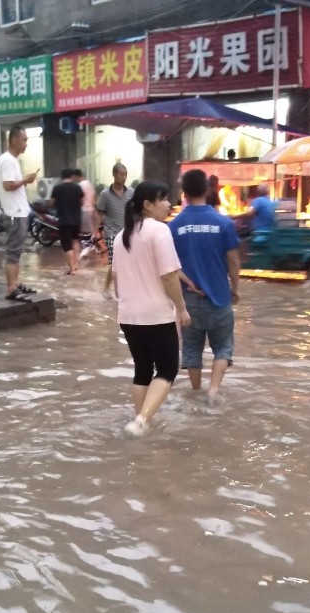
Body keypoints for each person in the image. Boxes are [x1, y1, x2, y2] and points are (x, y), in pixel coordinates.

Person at [113, 180, 191, 437]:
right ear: (148, 205)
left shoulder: (120, 236)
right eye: (164, 199)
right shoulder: (159, 230)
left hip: (128, 315)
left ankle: (140, 421)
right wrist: (181, 309)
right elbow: (169, 276)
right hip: (156, 315)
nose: (169, 204)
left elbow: (116, 279)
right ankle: (143, 420)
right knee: (168, 368)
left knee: (143, 369)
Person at [169, 169, 241, 400]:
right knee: (223, 347)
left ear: (184, 192)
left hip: (188, 300)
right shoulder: (223, 222)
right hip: (219, 297)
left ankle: (196, 391)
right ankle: (214, 390)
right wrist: (235, 289)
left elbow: (169, 267)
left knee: (191, 350)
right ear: (208, 190)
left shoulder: (174, 226)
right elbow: (233, 260)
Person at [0, 125, 39, 301]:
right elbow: (8, 185)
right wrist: (26, 180)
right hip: (14, 212)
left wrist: (23, 181)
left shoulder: (11, 160)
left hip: (18, 211)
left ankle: (15, 283)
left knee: (16, 251)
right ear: (14, 140)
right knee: (13, 252)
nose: (26, 144)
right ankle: (11, 288)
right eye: (24, 140)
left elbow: (11, 184)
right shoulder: (7, 160)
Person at [95, 162, 133, 296]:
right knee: (115, 262)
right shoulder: (105, 194)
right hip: (112, 233)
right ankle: (110, 289)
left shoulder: (131, 193)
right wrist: (95, 232)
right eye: (121, 174)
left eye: (126, 175)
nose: (124, 177)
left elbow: (135, 212)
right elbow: (99, 213)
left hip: (128, 232)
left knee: (127, 262)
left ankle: (123, 289)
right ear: (114, 175)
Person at [49, 167, 83, 274]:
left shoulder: (57, 188)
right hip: (76, 219)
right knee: (75, 240)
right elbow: (81, 202)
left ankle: (72, 269)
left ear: (62, 177)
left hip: (63, 220)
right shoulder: (77, 187)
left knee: (67, 245)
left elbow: (51, 203)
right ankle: (76, 264)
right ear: (72, 176)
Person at [76, 168, 97, 236]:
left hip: (84, 210)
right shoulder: (89, 183)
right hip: (91, 209)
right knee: (92, 230)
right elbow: (94, 195)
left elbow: (80, 199)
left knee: (85, 233)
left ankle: (88, 245)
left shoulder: (80, 185)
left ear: (77, 176)